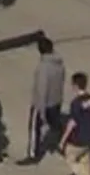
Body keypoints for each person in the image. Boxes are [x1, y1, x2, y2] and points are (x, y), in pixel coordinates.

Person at [19, 36, 66, 165]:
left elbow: (41, 89)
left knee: (34, 128)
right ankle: (64, 143)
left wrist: (41, 110)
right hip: (56, 100)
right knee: (55, 124)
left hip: (42, 103)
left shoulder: (43, 67)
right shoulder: (59, 63)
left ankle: (33, 155)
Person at [60, 72, 90, 175]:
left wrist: (63, 139)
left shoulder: (76, 103)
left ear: (75, 86)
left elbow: (72, 122)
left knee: (70, 159)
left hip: (78, 138)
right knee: (85, 161)